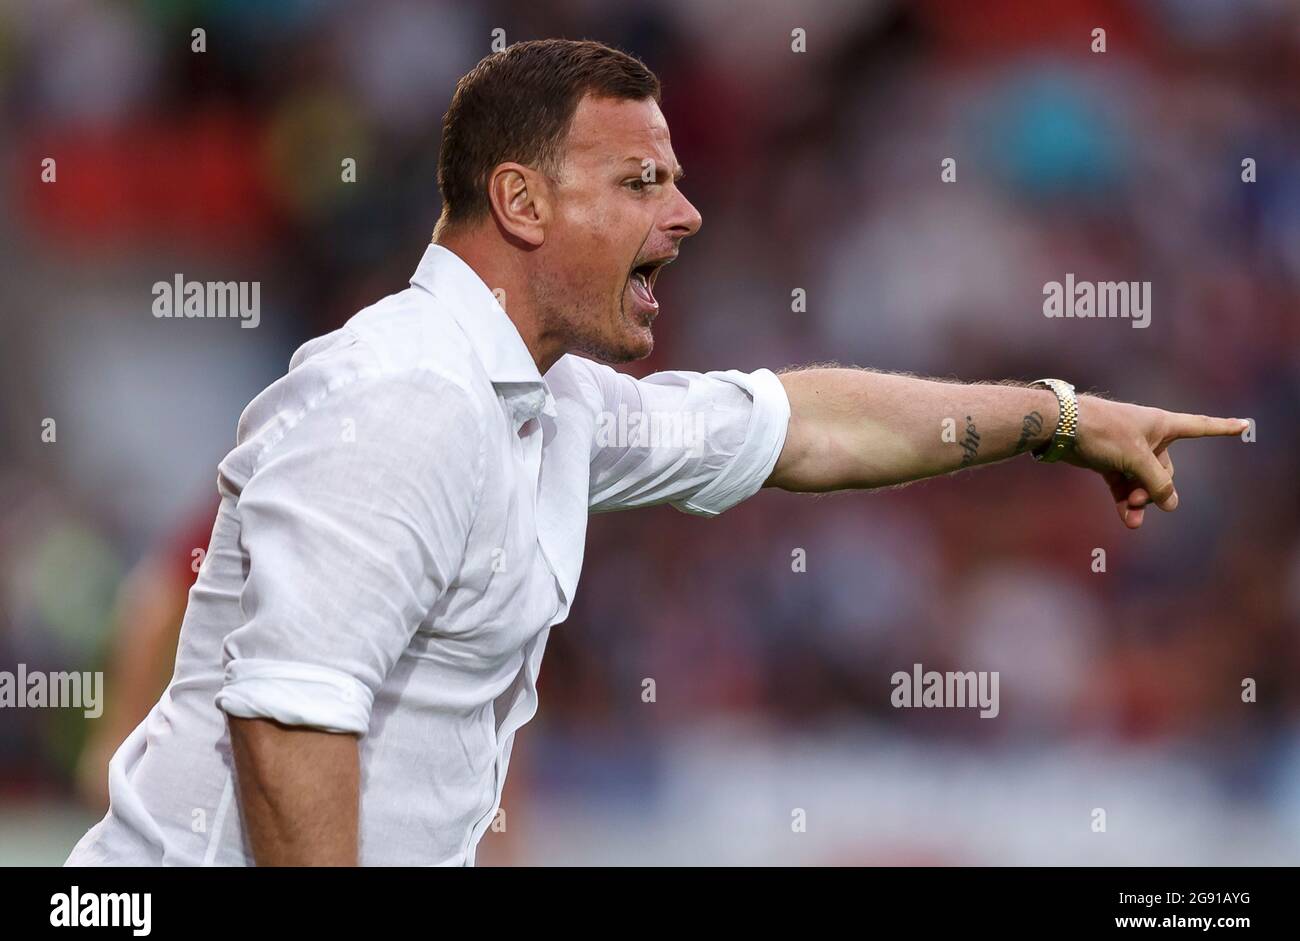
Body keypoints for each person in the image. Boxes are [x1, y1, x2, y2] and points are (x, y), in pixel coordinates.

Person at [66, 39, 1247, 866]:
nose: (683, 215)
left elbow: (805, 424)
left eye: (676, 179)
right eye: (641, 181)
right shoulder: (404, 403)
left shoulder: (543, 401)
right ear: (522, 204)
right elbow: (286, 728)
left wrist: (1057, 416)